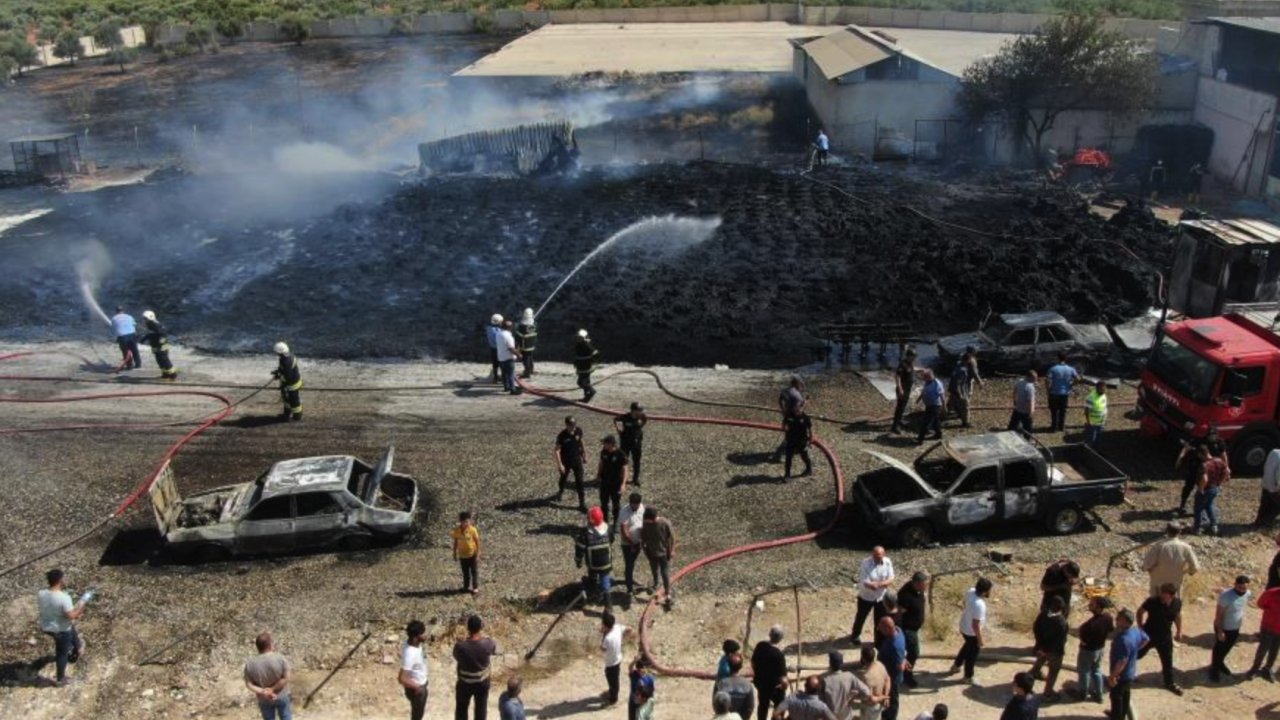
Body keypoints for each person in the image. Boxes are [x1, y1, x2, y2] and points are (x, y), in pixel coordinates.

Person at [37, 568, 88, 686]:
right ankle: (60, 679)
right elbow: (72, 616)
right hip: (60, 630)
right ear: (60, 581)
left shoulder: (41, 593)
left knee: (71, 629)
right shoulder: (64, 598)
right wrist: (81, 606)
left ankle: (78, 646)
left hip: (47, 626)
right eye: (64, 578)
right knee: (62, 654)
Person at [1137, 583, 1184, 695]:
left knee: (1167, 661)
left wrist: (1179, 631)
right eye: (1162, 592)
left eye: (1165, 593)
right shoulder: (1152, 601)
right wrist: (1140, 626)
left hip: (1165, 637)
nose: (1162, 595)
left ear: (1171, 596)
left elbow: (1178, 615)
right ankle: (1121, 674)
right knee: (1136, 654)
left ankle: (1169, 683)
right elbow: (1140, 611)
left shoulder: (1177, 603)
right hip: (1149, 635)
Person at [1210, 575, 1253, 681]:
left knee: (1227, 648)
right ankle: (1214, 669)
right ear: (1235, 585)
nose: (1242, 591)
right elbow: (1219, 615)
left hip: (1235, 628)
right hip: (1224, 628)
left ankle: (1220, 663)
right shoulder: (1225, 596)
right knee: (1219, 649)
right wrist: (1220, 631)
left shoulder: (1247, 593)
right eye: (1240, 588)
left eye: (1244, 588)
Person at [1176, 426, 1226, 516]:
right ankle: (1183, 504)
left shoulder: (1219, 443)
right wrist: (1180, 458)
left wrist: (1227, 467)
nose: (1212, 437)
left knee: (1206, 489)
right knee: (1188, 486)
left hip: (1209, 469)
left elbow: (1223, 454)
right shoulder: (1200, 441)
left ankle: (1202, 508)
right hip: (1195, 467)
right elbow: (1187, 447)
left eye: (1214, 435)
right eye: (1210, 435)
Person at [950, 577, 992, 684]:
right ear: (984, 591)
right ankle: (968, 676)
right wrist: (980, 639)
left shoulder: (970, 591)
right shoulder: (980, 605)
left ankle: (956, 665)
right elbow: (975, 625)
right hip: (971, 632)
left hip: (963, 626)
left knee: (967, 647)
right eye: (989, 590)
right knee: (972, 656)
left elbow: (965, 604)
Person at [454, 614, 497, 720]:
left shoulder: (460, 646)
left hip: (464, 683)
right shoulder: (488, 643)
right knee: (481, 708)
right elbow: (493, 650)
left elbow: (456, 656)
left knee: (461, 708)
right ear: (480, 627)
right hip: (482, 683)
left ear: (468, 628)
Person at [1108, 608, 1148, 720]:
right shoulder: (1136, 631)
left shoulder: (1123, 640)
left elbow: (1122, 662)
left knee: (1116, 697)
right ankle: (1123, 714)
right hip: (1131, 672)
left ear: (1126, 621)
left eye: (1119, 619)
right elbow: (1146, 639)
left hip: (1121, 675)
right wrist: (1135, 650)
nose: (1116, 620)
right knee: (1126, 695)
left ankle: (1117, 717)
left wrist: (1113, 676)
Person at [850, 547, 895, 644]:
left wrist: (879, 584)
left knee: (879, 619)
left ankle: (878, 639)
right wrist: (873, 584)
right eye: (875, 556)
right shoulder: (865, 563)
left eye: (880, 556)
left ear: (884, 555)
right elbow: (864, 580)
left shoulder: (887, 562)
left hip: (881, 597)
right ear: (872, 555)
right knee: (861, 616)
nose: (878, 559)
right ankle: (855, 635)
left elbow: (891, 578)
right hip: (866, 596)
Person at [1142, 522, 1200, 597]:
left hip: (1158, 585)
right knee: (1173, 606)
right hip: (1175, 586)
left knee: (1156, 606)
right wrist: (1186, 571)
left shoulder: (1159, 546)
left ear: (1167, 531)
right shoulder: (1186, 547)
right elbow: (1195, 567)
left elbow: (1146, 565)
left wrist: (1149, 570)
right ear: (1179, 532)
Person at [245, 631, 292, 720]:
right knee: (286, 717)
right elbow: (286, 678)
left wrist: (264, 691)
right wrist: (272, 689)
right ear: (270, 645)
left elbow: (249, 684)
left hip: (263, 698)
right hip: (281, 695)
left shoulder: (250, 664)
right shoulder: (280, 658)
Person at [1028, 596, 1068, 702]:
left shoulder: (1044, 614)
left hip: (1042, 646)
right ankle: (1048, 693)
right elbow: (1060, 641)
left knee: (1040, 661)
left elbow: (1036, 627)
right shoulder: (1061, 622)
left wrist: (1040, 645)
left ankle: (1030, 678)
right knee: (1053, 671)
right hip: (1054, 651)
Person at [1076, 596, 1115, 703]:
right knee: (1097, 671)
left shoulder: (1089, 625)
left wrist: (1082, 638)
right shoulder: (1108, 618)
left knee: (1084, 671)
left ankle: (1082, 693)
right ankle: (1099, 694)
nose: (1089, 605)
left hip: (1087, 651)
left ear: (1098, 607)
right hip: (1100, 649)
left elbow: (1083, 640)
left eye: (1092, 604)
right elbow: (1110, 630)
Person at [576, 507, 615, 611]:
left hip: (592, 563)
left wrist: (578, 560)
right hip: (606, 563)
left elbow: (579, 548)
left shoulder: (585, 533)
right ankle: (608, 605)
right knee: (605, 581)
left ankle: (592, 587)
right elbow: (612, 540)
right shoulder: (609, 528)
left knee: (592, 573)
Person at [896, 571, 928, 689]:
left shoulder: (918, 590)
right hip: (908, 629)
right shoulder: (905, 595)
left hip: (914, 627)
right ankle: (906, 675)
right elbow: (899, 613)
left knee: (910, 652)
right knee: (914, 653)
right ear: (917, 583)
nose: (926, 586)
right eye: (924, 584)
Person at [641, 506, 676, 608]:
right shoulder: (646, 524)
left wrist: (672, 550)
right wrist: (646, 552)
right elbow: (643, 540)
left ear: (653, 517)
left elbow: (672, 537)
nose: (646, 521)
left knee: (665, 574)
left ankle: (667, 593)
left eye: (647, 519)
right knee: (654, 570)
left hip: (664, 554)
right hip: (652, 553)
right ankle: (656, 584)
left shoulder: (664, 523)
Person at [751, 625, 788, 720]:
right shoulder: (778, 655)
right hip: (774, 687)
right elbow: (783, 679)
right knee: (780, 704)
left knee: (763, 705)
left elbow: (753, 663)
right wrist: (785, 686)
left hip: (761, 683)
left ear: (769, 634)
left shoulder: (760, 646)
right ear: (781, 638)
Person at [1194, 443, 1230, 536]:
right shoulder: (1219, 461)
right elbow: (1227, 471)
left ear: (1201, 454)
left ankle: (1198, 528)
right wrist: (1219, 483)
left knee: (1198, 509)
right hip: (1215, 488)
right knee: (1210, 506)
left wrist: (1200, 489)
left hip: (1206, 489)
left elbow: (1204, 479)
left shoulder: (1204, 465)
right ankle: (1214, 526)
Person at [820, 650, 868, 720]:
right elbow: (866, 692)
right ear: (842, 664)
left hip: (830, 717)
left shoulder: (825, 681)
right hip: (846, 716)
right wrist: (853, 697)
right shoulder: (849, 676)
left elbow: (821, 701)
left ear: (830, 663)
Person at [1248, 581, 1280, 680]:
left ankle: (1267, 669)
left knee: (1274, 651)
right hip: (1268, 628)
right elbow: (1260, 604)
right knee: (1262, 650)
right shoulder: (1271, 593)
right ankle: (1254, 669)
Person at [875, 618, 906, 720]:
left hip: (892, 678)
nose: (880, 631)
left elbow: (900, 667)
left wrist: (903, 661)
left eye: (882, 629)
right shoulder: (899, 630)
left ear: (888, 629)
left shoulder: (894, 646)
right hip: (888, 673)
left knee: (892, 700)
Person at [555, 416, 587, 511]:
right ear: (566, 425)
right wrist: (560, 464)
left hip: (577, 459)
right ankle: (560, 491)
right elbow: (557, 450)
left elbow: (581, 441)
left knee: (580, 481)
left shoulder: (578, 431)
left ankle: (582, 503)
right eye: (571, 425)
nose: (573, 427)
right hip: (566, 461)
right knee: (563, 478)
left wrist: (584, 454)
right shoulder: (562, 436)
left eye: (574, 425)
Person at [399, 620, 429, 720]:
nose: (426, 635)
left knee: (417, 712)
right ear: (416, 637)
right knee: (417, 716)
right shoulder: (410, 653)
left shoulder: (412, 644)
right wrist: (418, 688)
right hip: (417, 689)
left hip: (419, 684)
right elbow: (402, 678)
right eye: (423, 633)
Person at [597, 435, 629, 526]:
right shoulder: (604, 452)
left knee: (616, 504)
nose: (603, 445)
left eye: (605, 443)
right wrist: (598, 475)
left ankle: (616, 523)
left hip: (616, 483)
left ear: (611, 444)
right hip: (605, 482)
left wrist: (623, 484)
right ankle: (605, 521)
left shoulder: (621, 454)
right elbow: (601, 463)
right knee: (604, 503)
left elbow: (625, 469)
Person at [618, 492, 646, 597]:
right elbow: (624, 530)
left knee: (632, 562)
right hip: (627, 544)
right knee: (629, 564)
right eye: (634, 504)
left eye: (637, 504)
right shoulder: (624, 511)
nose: (636, 506)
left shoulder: (642, 508)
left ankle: (629, 578)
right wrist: (632, 544)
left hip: (638, 542)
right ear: (630, 503)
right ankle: (629, 588)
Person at [773, 376, 807, 461]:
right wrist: (806, 402)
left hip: (787, 416)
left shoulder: (786, 391)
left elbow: (780, 399)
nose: (801, 386)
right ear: (797, 384)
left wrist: (783, 410)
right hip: (795, 418)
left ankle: (793, 449)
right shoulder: (797, 395)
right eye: (800, 384)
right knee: (792, 436)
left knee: (789, 434)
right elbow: (798, 408)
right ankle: (778, 455)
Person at [714, 652, 755, 720]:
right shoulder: (747, 684)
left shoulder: (721, 683)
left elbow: (715, 703)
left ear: (728, 666)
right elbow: (750, 707)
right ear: (741, 666)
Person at [1044, 352, 1079, 433]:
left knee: (1054, 411)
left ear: (1058, 358)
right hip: (1065, 393)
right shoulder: (1071, 369)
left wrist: (1048, 390)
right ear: (1065, 359)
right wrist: (1071, 385)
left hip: (1054, 393)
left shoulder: (1053, 369)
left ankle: (1053, 427)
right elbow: (1078, 378)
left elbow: (1047, 380)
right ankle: (1061, 427)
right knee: (1063, 411)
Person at [615, 402, 648, 486]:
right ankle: (621, 477)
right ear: (633, 410)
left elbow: (645, 421)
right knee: (623, 460)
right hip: (625, 442)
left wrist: (639, 427)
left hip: (636, 443)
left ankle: (635, 479)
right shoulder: (625, 417)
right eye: (639, 410)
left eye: (641, 410)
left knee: (636, 461)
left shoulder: (642, 417)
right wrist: (618, 429)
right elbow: (615, 419)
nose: (641, 412)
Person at [600, 612, 629, 706]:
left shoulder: (607, 638)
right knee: (614, 679)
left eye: (602, 624)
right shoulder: (617, 627)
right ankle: (612, 692)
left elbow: (602, 649)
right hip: (618, 658)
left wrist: (603, 633)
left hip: (611, 663)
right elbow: (629, 629)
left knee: (613, 681)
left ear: (605, 625)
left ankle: (613, 699)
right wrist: (623, 638)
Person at [139, 310, 178, 380]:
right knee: (159, 361)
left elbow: (163, 333)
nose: (144, 320)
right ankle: (165, 374)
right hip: (155, 346)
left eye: (146, 318)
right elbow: (150, 334)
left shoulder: (156, 325)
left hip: (161, 347)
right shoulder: (149, 325)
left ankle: (173, 374)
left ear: (150, 317)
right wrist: (143, 340)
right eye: (144, 318)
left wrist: (161, 341)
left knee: (165, 360)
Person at [949, 347, 982, 428]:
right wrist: (960, 394)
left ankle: (953, 411)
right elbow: (958, 383)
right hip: (960, 390)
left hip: (952, 389)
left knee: (954, 402)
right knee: (965, 406)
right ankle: (965, 422)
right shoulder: (963, 370)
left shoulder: (958, 364)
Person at [855, 644, 890, 720]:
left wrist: (883, 697)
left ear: (863, 659)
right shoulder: (880, 665)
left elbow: (870, 698)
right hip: (880, 703)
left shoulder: (866, 677)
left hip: (870, 707)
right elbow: (888, 679)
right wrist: (885, 696)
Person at [272, 341, 303, 421]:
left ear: (280, 352)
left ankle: (297, 416)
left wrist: (279, 376)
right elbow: (284, 369)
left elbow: (287, 375)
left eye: (277, 352)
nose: (276, 354)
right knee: (287, 399)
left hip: (291, 385)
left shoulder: (286, 361)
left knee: (294, 401)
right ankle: (287, 414)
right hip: (292, 382)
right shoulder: (287, 357)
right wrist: (278, 371)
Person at [451, 511, 481, 595]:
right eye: (464, 522)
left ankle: (475, 587)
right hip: (462, 555)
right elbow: (455, 542)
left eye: (468, 521)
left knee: (474, 571)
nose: (466, 523)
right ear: (460, 521)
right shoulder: (457, 530)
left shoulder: (472, 530)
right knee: (465, 572)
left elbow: (477, 542)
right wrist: (454, 553)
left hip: (472, 554)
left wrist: (478, 553)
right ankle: (466, 586)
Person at [890, 348, 916, 435]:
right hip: (903, 389)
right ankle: (895, 426)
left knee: (903, 406)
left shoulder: (910, 364)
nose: (914, 358)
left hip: (907, 389)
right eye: (913, 356)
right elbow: (897, 377)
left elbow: (913, 370)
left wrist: (922, 370)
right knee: (900, 407)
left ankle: (899, 421)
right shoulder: (903, 364)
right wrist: (900, 388)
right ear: (908, 356)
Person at [916, 369, 945, 444]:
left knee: (926, 422)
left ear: (930, 376)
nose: (924, 379)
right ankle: (938, 434)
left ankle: (920, 439)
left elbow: (942, 395)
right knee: (936, 421)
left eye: (926, 377)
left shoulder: (937, 384)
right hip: (929, 405)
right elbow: (924, 391)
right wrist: (919, 399)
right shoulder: (927, 382)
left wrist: (944, 406)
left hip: (935, 405)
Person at [783, 409, 814, 480]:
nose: (797, 411)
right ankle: (787, 475)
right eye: (796, 409)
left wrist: (810, 440)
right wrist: (785, 428)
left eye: (799, 410)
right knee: (788, 457)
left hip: (801, 441)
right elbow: (784, 424)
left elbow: (810, 429)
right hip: (790, 440)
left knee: (804, 456)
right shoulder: (789, 416)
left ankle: (809, 469)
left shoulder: (805, 417)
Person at [496, 320, 521, 395]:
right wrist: (518, 354)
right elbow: (511, 348)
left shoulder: (498, 334)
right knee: (511, 374)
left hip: (501, 357)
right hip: (508, 358)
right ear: (510, 328)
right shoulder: (508, 336)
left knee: (504, 374)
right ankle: (513, 390)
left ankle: (506, 387)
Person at [574, 329, 599, 403]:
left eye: (580, 338)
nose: (578, 339)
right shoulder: (578, 345)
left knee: (581, 382)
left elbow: (596, 353)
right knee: (584, 382)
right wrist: (575, 363)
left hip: (585, 367)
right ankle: (586, 397)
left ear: (584, 338)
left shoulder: (587, 345)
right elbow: (577, 356)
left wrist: (592, 361)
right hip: (580, 367)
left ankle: (591, 391)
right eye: (578, 337)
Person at [1257, 447, 1280, 528]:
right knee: (1276, 507)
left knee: (1265, 504)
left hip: (1266, 483)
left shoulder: (1274, 452)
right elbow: (1278, 475)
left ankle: (1259, 521)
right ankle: (1264, 522)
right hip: (1275, 488)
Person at [1008, 370, 1037, 434]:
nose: (1035, 380)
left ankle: (1009, 435)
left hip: (1018, 408)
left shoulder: (1019, 382)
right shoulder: (1030, 387)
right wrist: (1030, 412)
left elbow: (1014, 391)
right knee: (1028, 428)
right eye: (1034, 378)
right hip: (1025, 410)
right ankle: (1027, 440)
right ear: (1029, 377)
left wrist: (1015, 401)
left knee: (1013, 425)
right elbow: (1030, 400)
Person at [1083, 380, 1107, 447]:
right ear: (1097, 388)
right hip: (1092, 423)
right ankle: (1088, 450)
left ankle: (1096, 449)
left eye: (1104, 389)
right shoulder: (1091, 398)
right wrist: (1088, 422)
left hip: (1101, 422)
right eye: (1102, 389)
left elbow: (1104, 407)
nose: (1104, 391)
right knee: (1091, 439)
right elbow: (1086, 411)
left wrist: (1104, 418)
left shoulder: (1104, 395)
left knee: (1099, 438)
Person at [515, 308, 538, 379]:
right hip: (532, 345)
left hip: (524, 346)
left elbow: (518, 335)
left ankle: (527, 373)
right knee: (530, 357)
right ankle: (531, 369)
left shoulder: (522, 326)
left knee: (525, 359)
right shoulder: (535, 324)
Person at [486, 314, 503, 383]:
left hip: (493, 349)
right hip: (499, 349)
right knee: (502, 364)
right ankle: (503, 377)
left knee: (495, 364)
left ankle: (495, 378)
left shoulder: (488, 328)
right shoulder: (498, 331)